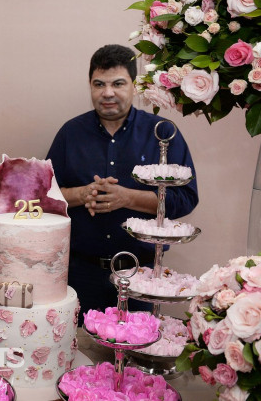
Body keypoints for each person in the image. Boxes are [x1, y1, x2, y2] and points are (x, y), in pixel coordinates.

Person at [46, 44, 198, 320]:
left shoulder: (162, 133)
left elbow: (186, 199)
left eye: (117, 83)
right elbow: (43, 198)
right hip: (80, 274)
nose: (107, 93)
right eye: (99, 84)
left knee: (137, 343)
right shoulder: (70, 133)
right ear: (90, 86)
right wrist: (83, 194)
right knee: (79, 346)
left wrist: (127, 198)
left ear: (134, 85)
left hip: (141, 275)